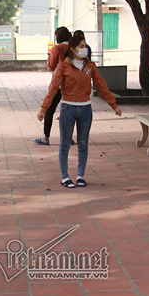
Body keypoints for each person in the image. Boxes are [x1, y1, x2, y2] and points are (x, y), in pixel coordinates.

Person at [37, 33, 122, 188]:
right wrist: (44, 109)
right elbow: (53, 88)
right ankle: (65, 177)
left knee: (83, 144)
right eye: (81, 47)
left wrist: (113, 105)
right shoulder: (63, 66)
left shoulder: (90, 66)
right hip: (68, 108)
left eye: (85, 46)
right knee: (65, 144)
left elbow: (101, 85)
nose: (85, 49)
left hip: (85, 109)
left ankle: (80, 175)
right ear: (73, 49)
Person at [34, 26, 72, 145]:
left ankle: (46, 137)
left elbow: (51, 65)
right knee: (69, 111)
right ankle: (69, 137)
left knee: (50, 109)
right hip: (73, 83)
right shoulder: (74, 47)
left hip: (59, 82)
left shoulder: (57, 48)